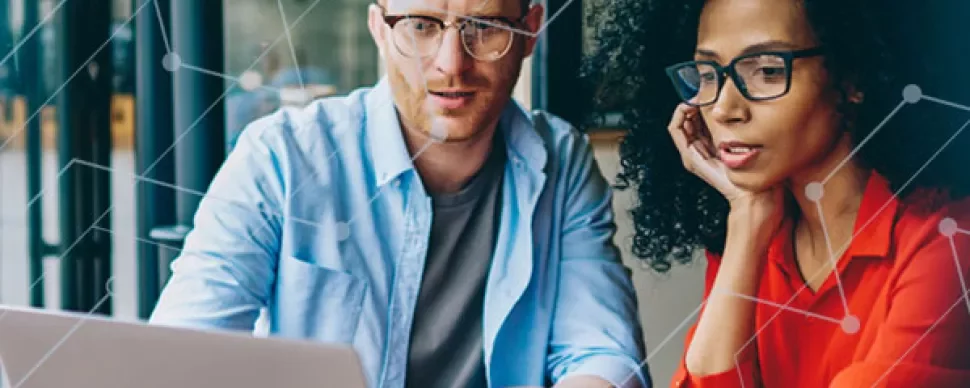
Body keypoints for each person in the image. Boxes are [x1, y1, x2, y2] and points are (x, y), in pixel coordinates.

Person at [149, 0, 650, 387]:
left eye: (485, 26)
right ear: (378, 30)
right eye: (421, 25)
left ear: (529, 31)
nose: (452, 65)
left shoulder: (560, 162)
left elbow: (599, 351)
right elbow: (183, 356)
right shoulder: (281, 157)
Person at [581, 0, 970, 386]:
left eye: (766, 71)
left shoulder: (948, 241)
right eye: (708, 74)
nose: (723, 108)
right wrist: (746, 222)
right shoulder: (754, 230)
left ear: (853, 76)